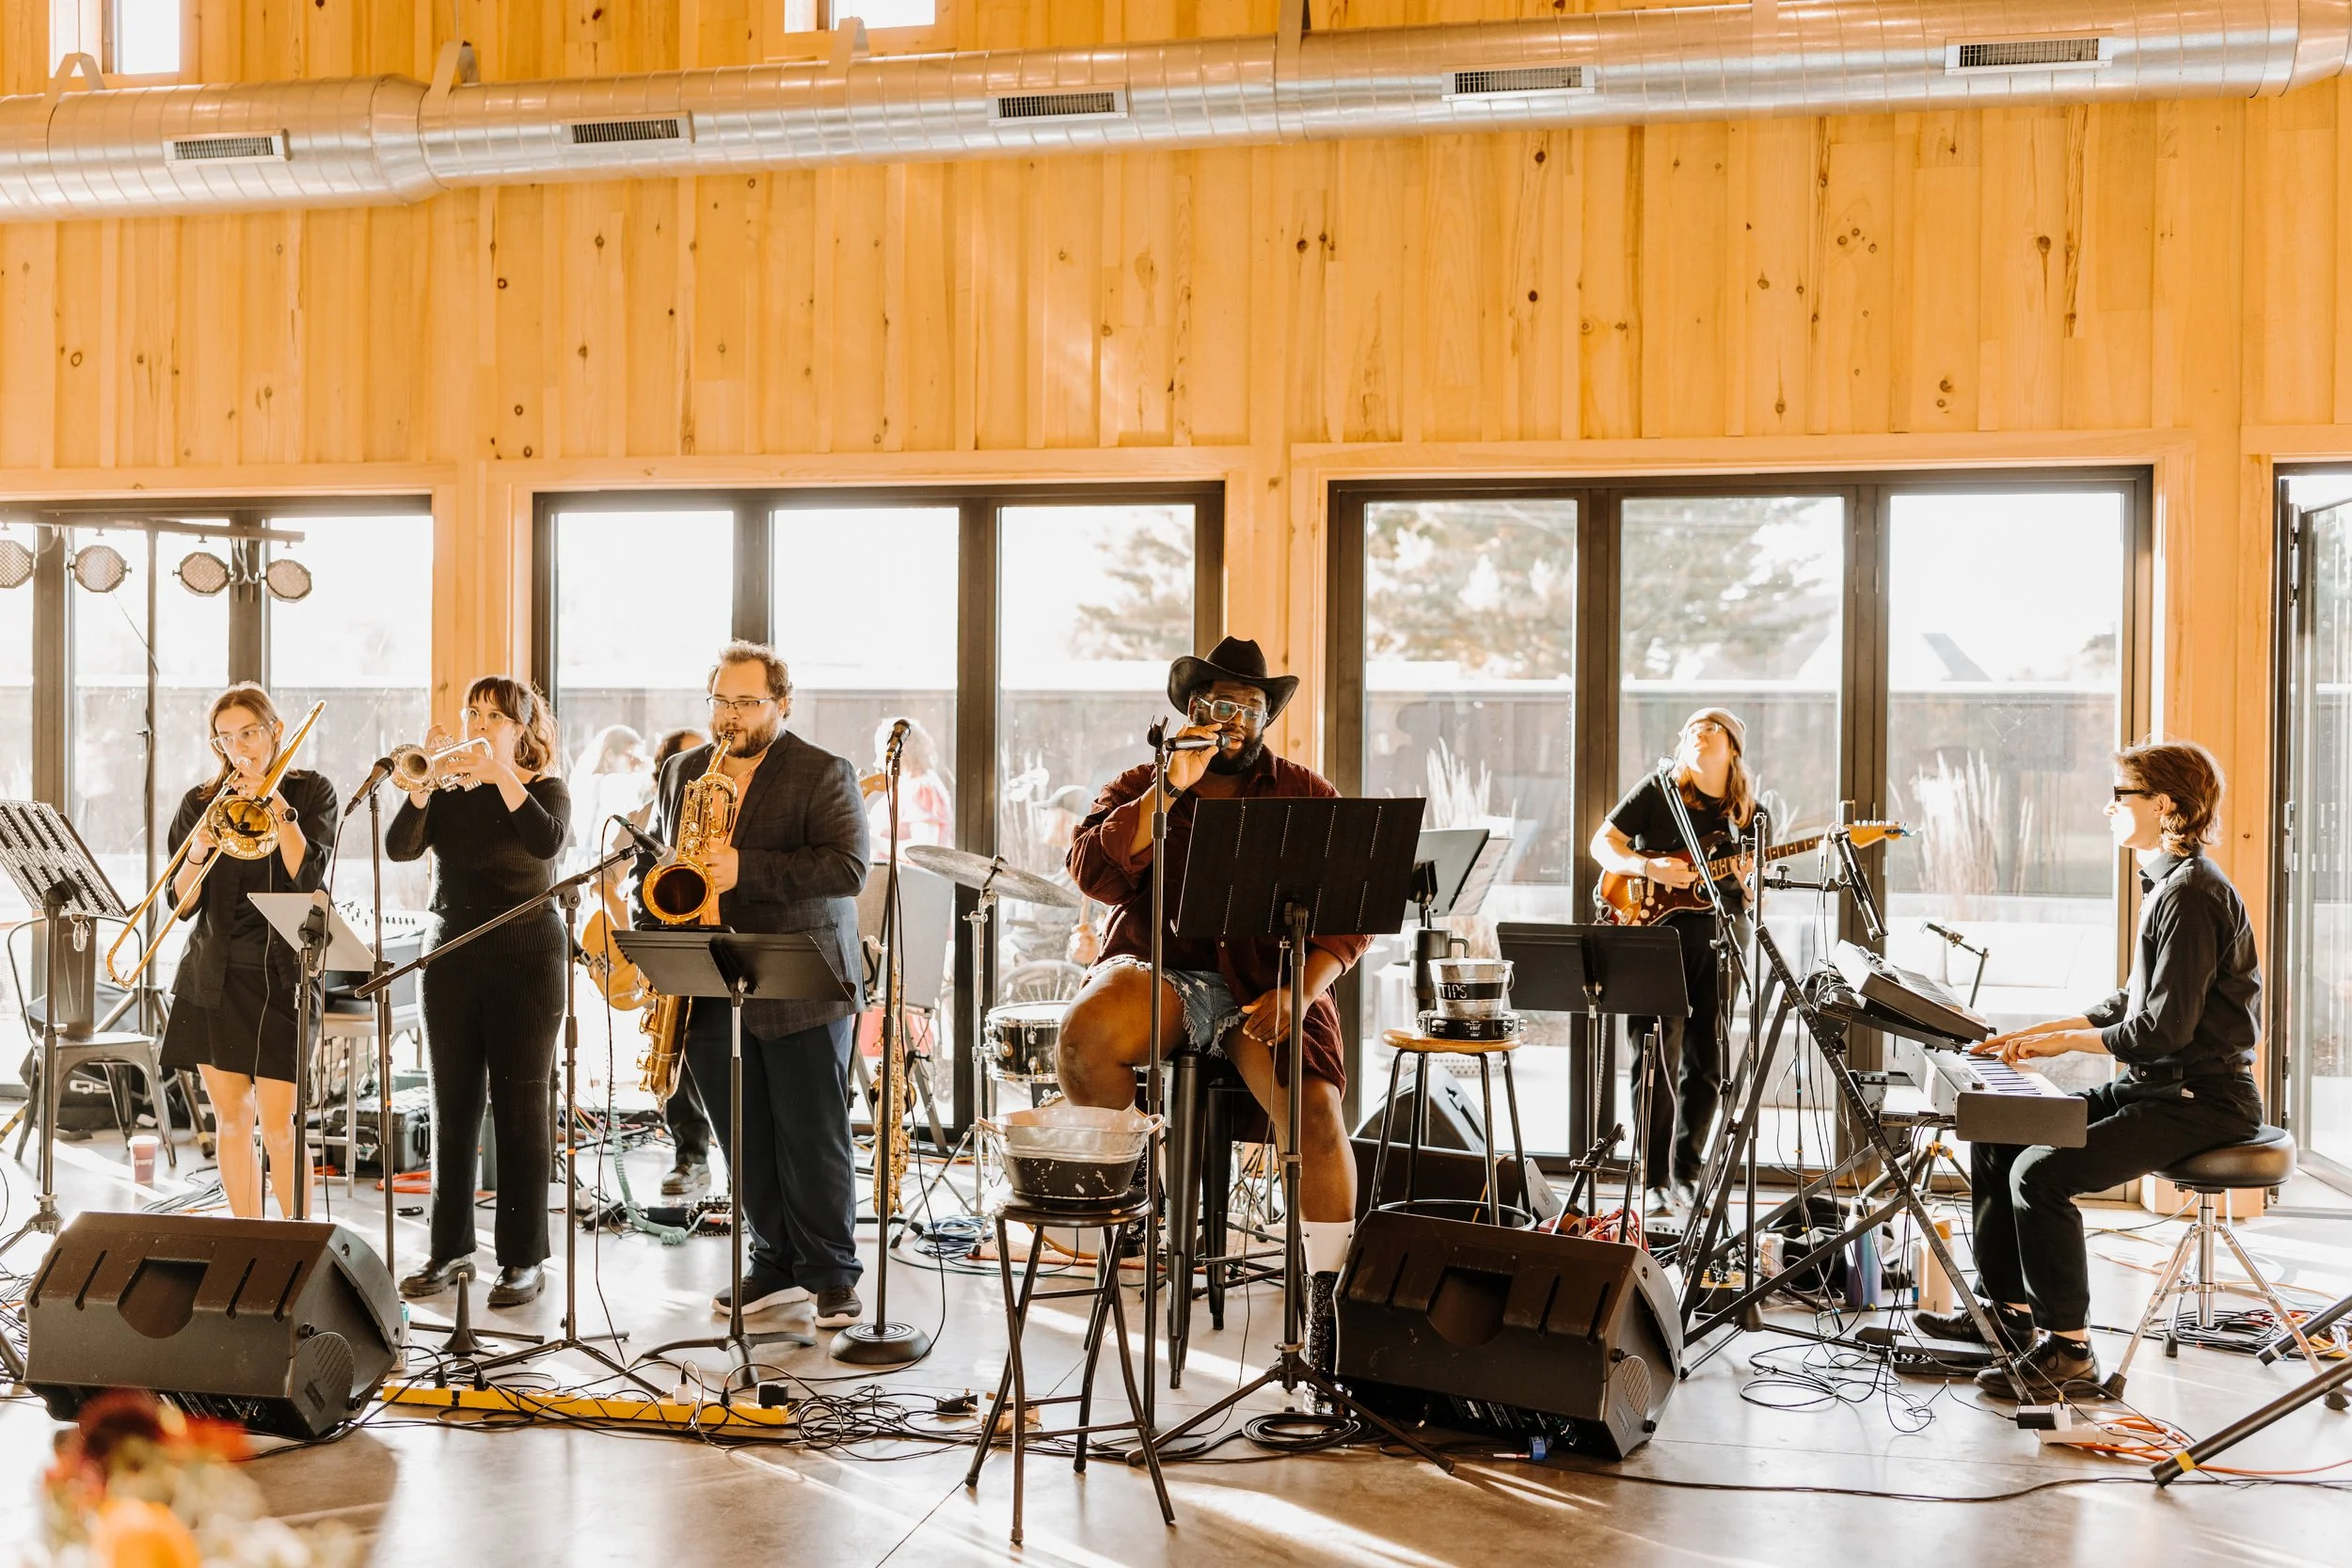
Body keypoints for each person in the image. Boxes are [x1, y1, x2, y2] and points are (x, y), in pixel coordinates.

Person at [1058, 637, 1369, 1376]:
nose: (1233, 719)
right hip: (1167, 967)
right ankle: (1140, 1196)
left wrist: (1301, 992)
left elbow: (1348, 919)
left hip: (1272, 978)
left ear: (1267, 718)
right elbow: (1093, 871)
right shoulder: (1144, 780)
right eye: (1218, 705)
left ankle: (1326, 1302)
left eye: (1250, 707)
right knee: (1084, 1034)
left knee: (1316, 1116)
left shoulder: (1304, 791)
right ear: (1190, 710)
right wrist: (1169, 786)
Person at [1917, 740, 2265, 1402]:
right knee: (2002, 1131)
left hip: (2200, 1098)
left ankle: (2068, 1348)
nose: (2108, 805)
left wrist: (2059, 1047)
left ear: (2163, 804)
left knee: (2041, 1174)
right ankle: (2006, 1316)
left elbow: (2161, 1031)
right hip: (2157, 1085)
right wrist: (2043, 1031)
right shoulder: (2171, 884)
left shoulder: (2191, 895)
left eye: (2121, 792)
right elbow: (2130, 1001)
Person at [633, 642, 869, 1332]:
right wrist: (651, 915)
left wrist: (744, 869)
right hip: (706, 974)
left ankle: (830, 1273)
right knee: (743, 1135)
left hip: (802, 977)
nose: (731, 716)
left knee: (812, 1133)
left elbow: (847, 867)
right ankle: (773, 1262)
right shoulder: (683, 770)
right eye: (721, 701)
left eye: (747, 702)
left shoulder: (823, 771)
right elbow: (656, 856)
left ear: (781, 703)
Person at [388, 676, 571, 1308]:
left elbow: (547, 841)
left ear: (523, 727)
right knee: (452, 1107)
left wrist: (501, 774)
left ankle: (523, 1258)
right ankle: (449, 1248)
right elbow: (399, 847)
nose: (481, 720)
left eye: (495, 714)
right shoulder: (445, 787)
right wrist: (418, 790)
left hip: (527, 956)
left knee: (521, 1112)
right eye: (473, 710)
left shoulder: (544, 787)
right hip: (450, 957)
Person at [159, 684, 338, 1219]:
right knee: (231, 1121)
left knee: (280, 1126)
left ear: (275, 730)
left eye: (249, 733)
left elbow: (305, 877)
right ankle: (248, 1244)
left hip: (283, 976)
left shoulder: (312, 794)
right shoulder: (201, 802)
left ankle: (299, 1247)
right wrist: (196, 852)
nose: (240, 747)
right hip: (213, 976)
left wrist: (280, 810)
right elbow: (182, 904)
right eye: (226, 739)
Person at [1589, 708, 1755, 1216]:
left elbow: (1751, 890)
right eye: (1691, 730)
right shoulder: (1659, 789)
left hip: (1718, 937)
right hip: (1652, 936)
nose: (1699, 733)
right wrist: (1648, 865)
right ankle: (1652, 1175)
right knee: (1655, 1057)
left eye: (1712, 729)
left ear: (1732, 749)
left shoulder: (1747, 812)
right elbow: (1603, 843)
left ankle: (1687, 1168)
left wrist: (1748, 879)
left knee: (1707, 1059)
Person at [640, 726, 720, 1199]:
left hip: (723, 941)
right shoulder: (659, 809)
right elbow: (639, 875)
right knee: (677, 1055)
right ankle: (690, 1156)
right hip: (676, 942)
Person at [862, 718, 952, 853]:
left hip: (908, 874)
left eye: (907, 740)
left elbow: (924, 849)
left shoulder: (923, 787)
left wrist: (872, 842)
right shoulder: (904, 784)